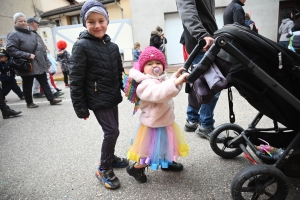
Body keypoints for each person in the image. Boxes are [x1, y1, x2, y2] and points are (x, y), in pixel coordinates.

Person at [70, 0, 128, 190]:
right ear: (85, 24)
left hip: (111, 97)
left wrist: (130, 89)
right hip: (96, 99)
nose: (97, 25)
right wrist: (80, 108)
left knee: (114, 130)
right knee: (112, 132)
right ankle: (103, 168)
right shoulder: (81, 46)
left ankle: (110, 158)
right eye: (91, 22)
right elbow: (76, 81)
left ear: (107, 21)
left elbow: (119, 73)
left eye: (101, 20)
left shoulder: (112, 47)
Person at [125, 46, 190, 183]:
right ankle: (137, 168)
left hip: (166, 121)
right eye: (149, 64)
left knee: (168, 145)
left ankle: (167, 163)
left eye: (158, 63)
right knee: (149, 152)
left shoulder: (162, 79)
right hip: (152, 126)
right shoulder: (144, 85)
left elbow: (169, 88)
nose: (154, 66)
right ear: (143, 68)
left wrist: (175, 77)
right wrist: (175, 82)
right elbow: (159, 93)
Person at [176, 0, 224, 142]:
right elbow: (187, 11)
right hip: (203, 43)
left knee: (197, 83)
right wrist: (202, 34)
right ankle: (206, 125)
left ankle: (192, 120)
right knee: (213, 83)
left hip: (204, 41)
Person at [6, 13, 61, 108]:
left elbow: (42, 48)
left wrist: (47, 62)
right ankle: (29, 102)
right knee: (28, 84)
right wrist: (27, 55)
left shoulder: (32, 33)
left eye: (24, 21)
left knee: (44, 81)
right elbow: (10, 49)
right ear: (15, 23)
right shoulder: (13, 34)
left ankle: (51, 99)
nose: (23, 23)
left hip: (39, 62)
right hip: (27, 64)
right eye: (20, 21)